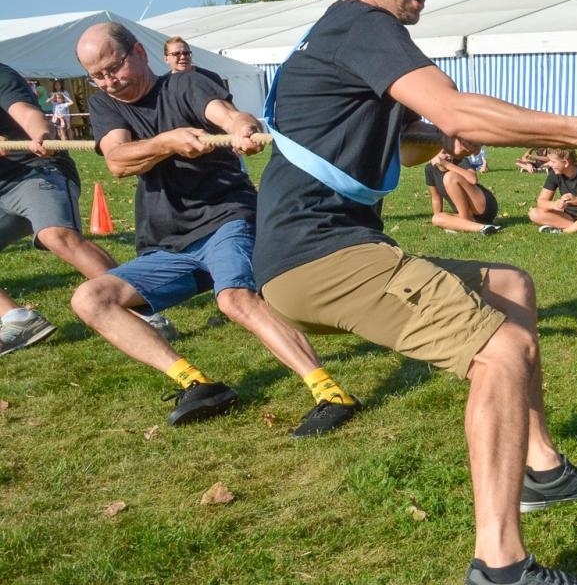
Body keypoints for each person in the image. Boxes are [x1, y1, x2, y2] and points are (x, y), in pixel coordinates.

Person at [253, 0, 577, 585]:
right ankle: (499, 573)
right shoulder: (364, 25)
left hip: (322, 251)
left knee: (510, 285)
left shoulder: (341, 35)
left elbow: (407, 140)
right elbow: (460, 112)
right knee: (502, 351)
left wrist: (438, 138)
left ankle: (541, 470)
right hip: (318, 256)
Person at [71, 22, 360, 437]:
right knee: (90, 298)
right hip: (169, 244)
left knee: (234, 299)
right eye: (96, 76)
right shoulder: (106, 105)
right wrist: (169, 142)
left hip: (226, 219)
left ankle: (330, 393)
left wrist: (241, 128)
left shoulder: (185, 85)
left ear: (138, 52)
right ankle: (197, 384)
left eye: (113, 68)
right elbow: (118, 160)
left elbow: (226, 114)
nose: (108, 82)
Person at [0, 60, 175, 353]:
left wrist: (41, 134)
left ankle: (144, 313)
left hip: (36, 170)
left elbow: (27, 112)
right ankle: (18, 319)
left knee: (56, 235)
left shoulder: (1, 75)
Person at [425, 137, 501, 234]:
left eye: (450, 151)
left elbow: (473, 179)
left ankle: (464, 222)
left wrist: (447, 164)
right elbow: (436, 198)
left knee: (450, 177)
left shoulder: (460, 160)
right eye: (444, 153)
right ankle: (483, 227)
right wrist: (441, 221)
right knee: (436, 218)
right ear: (433, 154)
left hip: (482, 206)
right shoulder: (430, 169)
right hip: (464, 213)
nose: (449, 155)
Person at [162, 36, 226, 87]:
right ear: (166, 59)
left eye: (186, 53)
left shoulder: (210, 78)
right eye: (176, 54)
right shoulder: (163, 84)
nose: (183, 57)